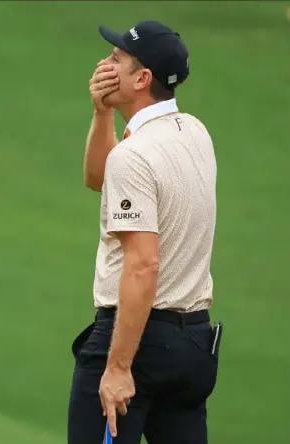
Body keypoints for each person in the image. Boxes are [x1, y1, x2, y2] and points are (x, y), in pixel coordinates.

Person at [68, 20, 222, 444]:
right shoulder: (195, 133)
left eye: (117, 57)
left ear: (142, 78)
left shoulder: (135, 156)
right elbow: (102, 178)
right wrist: (103, 114)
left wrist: (117, 368)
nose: (105, 63)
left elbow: (142, 264)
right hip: (192, 346)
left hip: (138, 344)